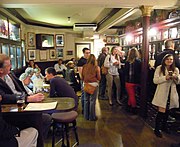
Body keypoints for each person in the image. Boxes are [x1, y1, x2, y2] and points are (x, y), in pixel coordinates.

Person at [0, 54, 52, 139]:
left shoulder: (10, 74)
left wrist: (31, 95)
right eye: (9, 65)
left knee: (45, 114)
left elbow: (21, 86)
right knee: (44, 119)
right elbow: (4, 97)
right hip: (12, 112)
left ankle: (34, 140)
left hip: (24, 104)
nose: (11, 66)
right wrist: (26, 98)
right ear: (1, 70)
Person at [152, 54, 180, 138]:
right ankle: (157, 129)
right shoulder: (159, 68)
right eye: (167, 59)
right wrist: (165, 78)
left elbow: (178, 82)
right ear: (164, 60)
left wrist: (175, 78)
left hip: (171, 92)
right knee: (161, 111)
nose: (169, 61)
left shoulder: (175, 69)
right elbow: (155, 80)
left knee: (168, 111)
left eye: (171, 59)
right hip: (162, 92)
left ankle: (164, 126)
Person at [82, 54, 101, 121]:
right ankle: (92, 117)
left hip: (86, 84)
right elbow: (99, 77)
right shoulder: (96, 67)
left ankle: (86, 116)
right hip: (93, 85)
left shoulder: (84, 66)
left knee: (86, 100)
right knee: (92, 101)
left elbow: (82, 76)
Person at [124, 48, 141, 114]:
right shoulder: (139, 62)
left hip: (129, 81)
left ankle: (133, 108)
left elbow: (125, 72)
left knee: (131, 95)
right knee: (132, 95)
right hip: (137, 81)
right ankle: (129, 106)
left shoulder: (127, 62)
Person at [77, 47, 91, 114]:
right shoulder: (81, 61)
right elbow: (80, 72)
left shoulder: (90, 60)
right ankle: (84, 109)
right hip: (84, 80)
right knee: (84, 94)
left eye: (89, 53)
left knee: (89, 95)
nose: (88, 54)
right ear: (84, 53)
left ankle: (88, 108)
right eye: (87, 53)